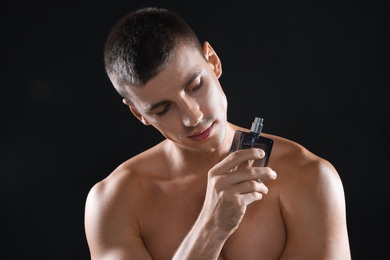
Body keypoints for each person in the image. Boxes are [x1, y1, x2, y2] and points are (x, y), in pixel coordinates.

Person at [84, 7, 351, 259]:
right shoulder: (114, 202)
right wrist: (211, 227)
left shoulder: (308, 177)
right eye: (164, 109)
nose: (193, 117)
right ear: (138, 113)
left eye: (195, 85)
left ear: (213, 61)